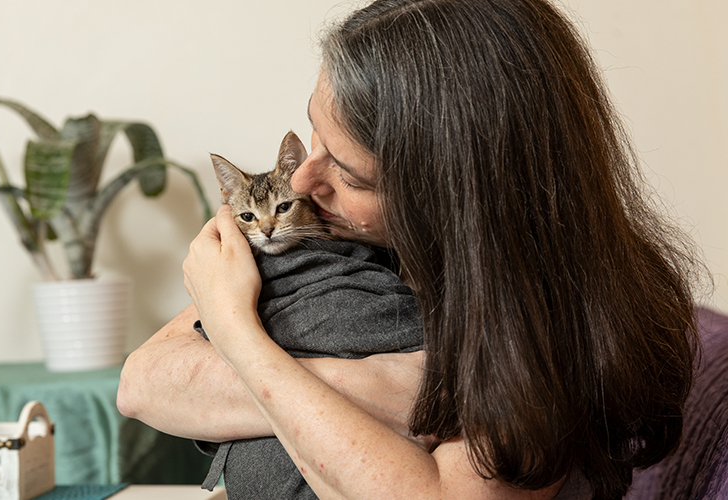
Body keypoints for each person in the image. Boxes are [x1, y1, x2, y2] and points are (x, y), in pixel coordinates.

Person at [117, 0, 704, 498]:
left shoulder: (541, 326)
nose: (301, 183)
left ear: (456, 196)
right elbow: (144, 383)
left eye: (349, 174)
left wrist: (233, 328)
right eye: (315, 131)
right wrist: (395, 390)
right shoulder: (349, 236)